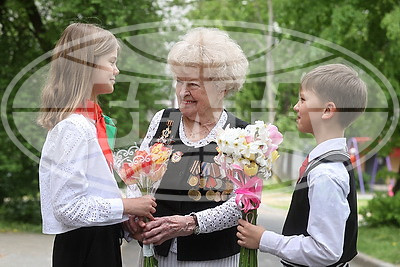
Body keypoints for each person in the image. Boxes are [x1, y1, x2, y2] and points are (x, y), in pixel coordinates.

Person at [126, 27, 249, 266]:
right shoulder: (164, 120)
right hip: (157, 251)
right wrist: (134, 212)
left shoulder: (241, 134)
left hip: (213, 257)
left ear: (221, 87)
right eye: (179, 81)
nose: (183, 92)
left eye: (193, 84)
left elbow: (242, 202)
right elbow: (138, 174)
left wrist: (191, 223)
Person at [37, 23, 157, 267]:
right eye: (111, 61)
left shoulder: (90, 124)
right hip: (85, 249)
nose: (117, 70)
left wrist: (124, 221)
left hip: (97, 242)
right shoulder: (74, 127)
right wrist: (127, 205)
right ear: (86, 64)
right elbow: (67, 208)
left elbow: (94, 194)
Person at [237, 64, 367, 266]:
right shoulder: (327, 163)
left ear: (327, 110)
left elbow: (325, 251)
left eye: (303, 99)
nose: (296, 106)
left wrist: (264, 239)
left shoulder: (326, 173)